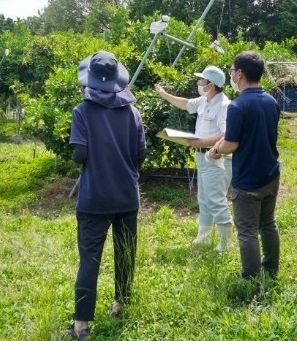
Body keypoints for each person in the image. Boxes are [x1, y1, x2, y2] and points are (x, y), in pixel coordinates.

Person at [68, 50, 146, 340]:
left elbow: (80, 154)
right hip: (127, 196)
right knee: (125, 253)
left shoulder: (82, 111)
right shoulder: (133, 112)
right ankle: (121, 304)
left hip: (95, 199)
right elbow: (141, 155)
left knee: (90, 258)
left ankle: (81, 324)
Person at [209, 51, 281, 279]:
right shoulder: (271, 101)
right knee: (268, 224)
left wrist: (216, 150)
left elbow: (231, 144)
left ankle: (250, 278)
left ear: (239, 74)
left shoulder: (238, 106)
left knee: (247, 231)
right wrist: (223, 143)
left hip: (248, 179)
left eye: (232, 70)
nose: (231, 74)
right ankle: (270, 269)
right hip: (270, 174)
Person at [154, 66, 233, 251]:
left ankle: (226, 244)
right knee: (204, 200)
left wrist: (202, 141)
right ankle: (203, 238)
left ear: (211, 85)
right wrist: (164, 94)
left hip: (217, 158)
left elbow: (226, 133)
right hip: (202, 157)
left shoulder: (224, 105)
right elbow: (185, 103)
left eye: (202, 81)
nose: (199, 83)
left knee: (216, 200)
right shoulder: (205, 100)